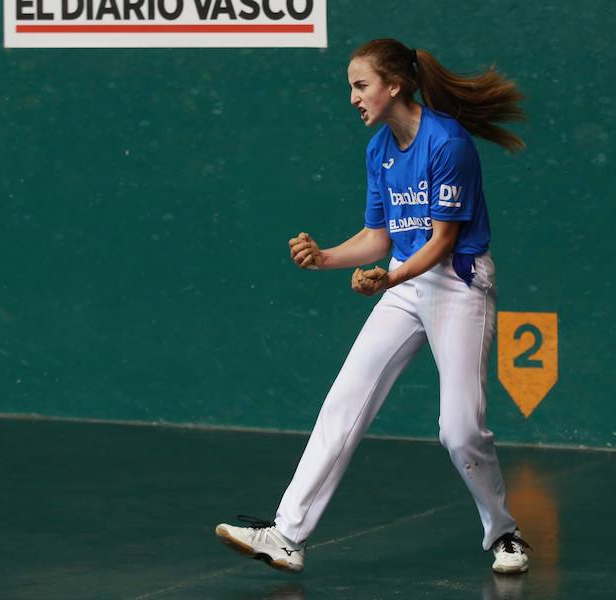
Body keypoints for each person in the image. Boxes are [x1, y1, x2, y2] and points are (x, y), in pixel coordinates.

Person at [215, 38, 530, 575]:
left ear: (394, 85)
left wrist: (391, 277)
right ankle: (287, 535)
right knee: (344, 400)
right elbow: (379, 236)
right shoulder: (379, 150)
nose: (354, 99)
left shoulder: (447, 143)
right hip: (406, 285)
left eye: (360, 86)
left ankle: (504, 533)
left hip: (456, 282)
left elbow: (443, 240)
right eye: (351, 89)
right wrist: (326, 257)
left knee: (459, 430)